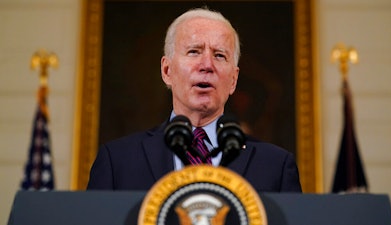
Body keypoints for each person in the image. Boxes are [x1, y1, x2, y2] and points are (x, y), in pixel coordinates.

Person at [87, 8, 302, 192]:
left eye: (219, 55)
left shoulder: (276, 167)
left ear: (234, 80)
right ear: (166, 70)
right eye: (193, 51)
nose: (207, 65)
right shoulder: (117, 161)